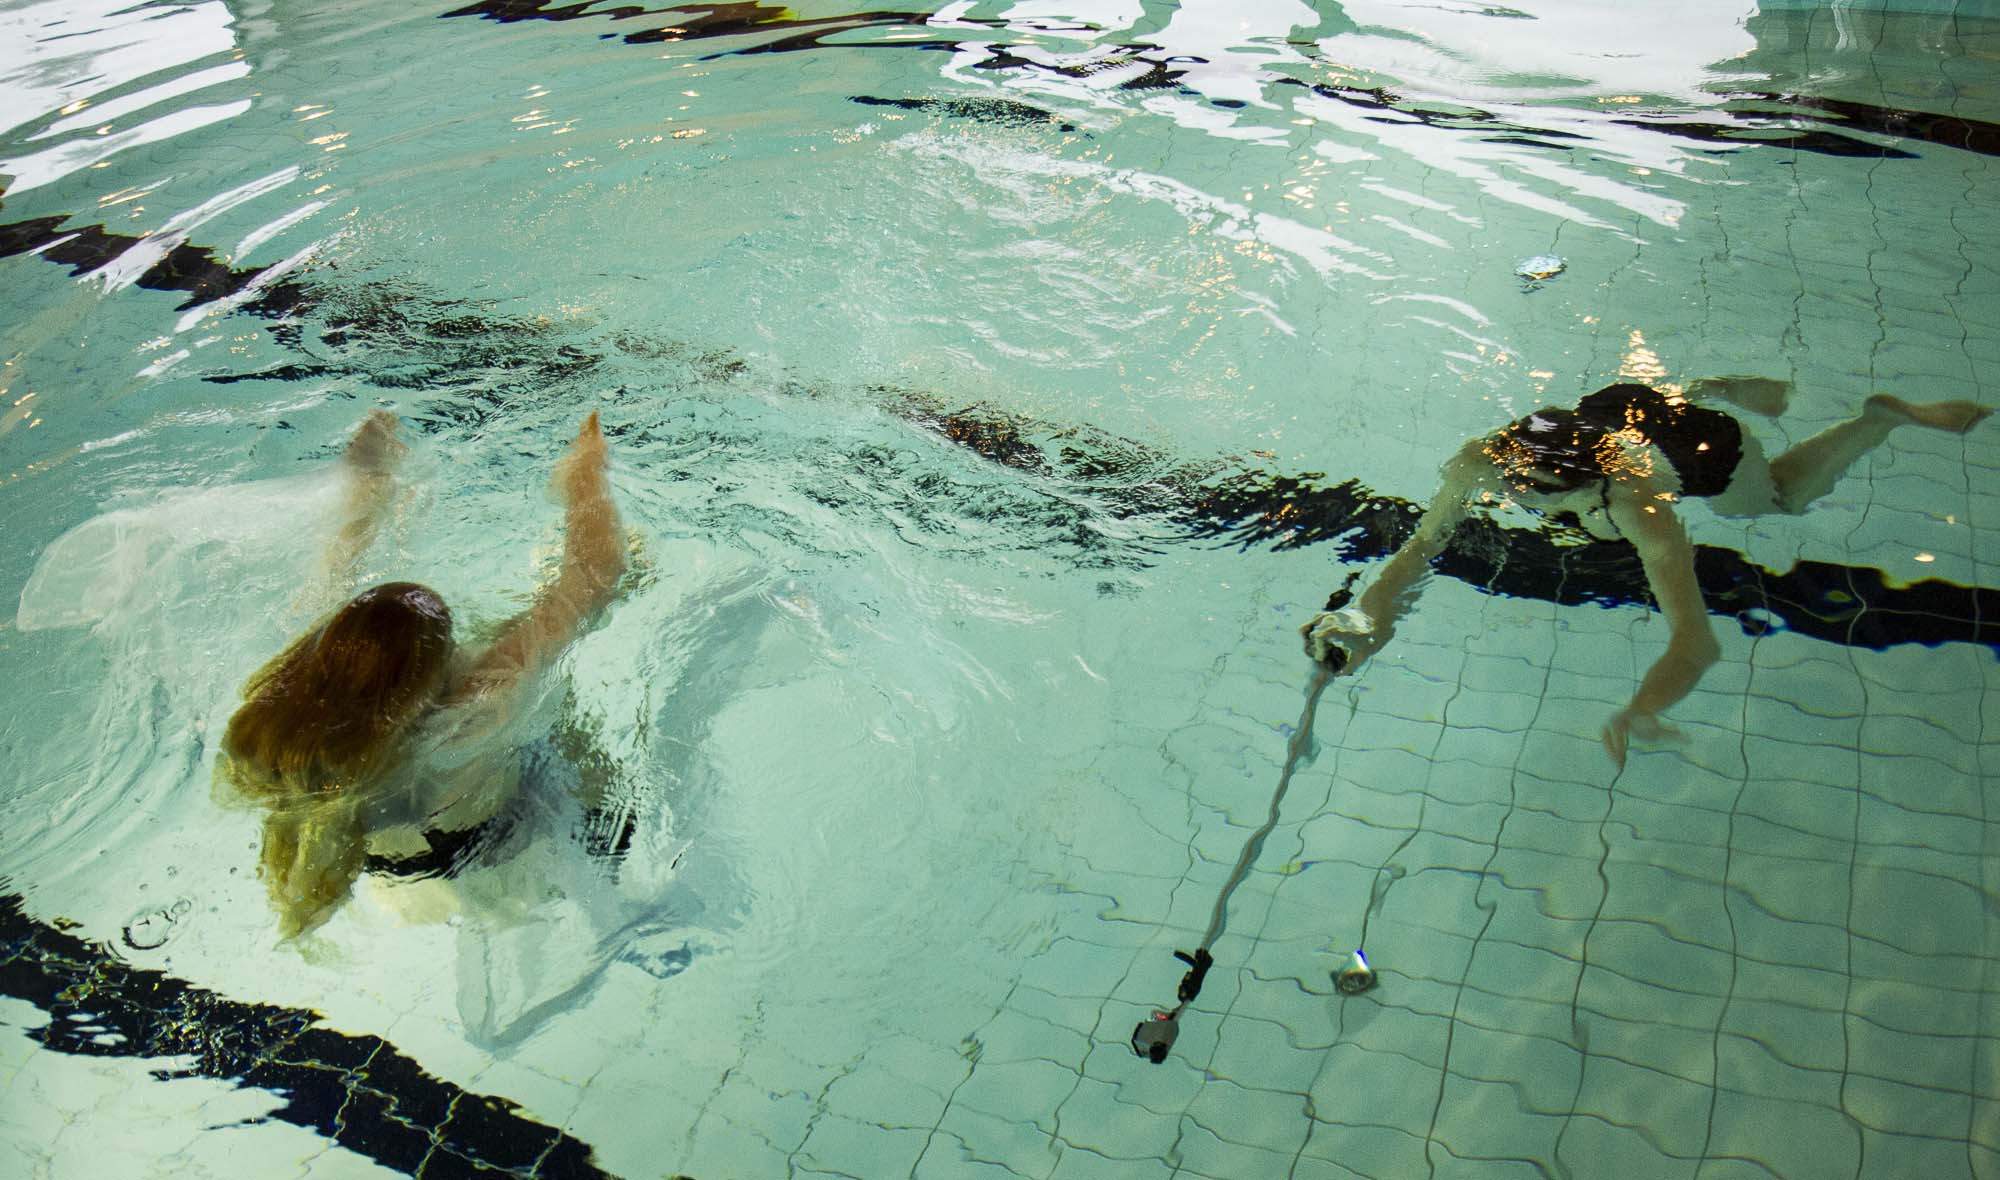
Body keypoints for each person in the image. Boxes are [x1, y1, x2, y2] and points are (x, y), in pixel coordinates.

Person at [1301, 378, 1991, 767]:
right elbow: (1421, 549)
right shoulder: (1483, 459)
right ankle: (1723, 384)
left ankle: (1876, 419)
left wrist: (1644, 706)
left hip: (1705, 450)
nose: (1511, 495)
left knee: (1778, 502)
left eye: (1534, 492)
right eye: (1513, 481)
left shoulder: (1640, 504)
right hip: (1620, 408)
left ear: (1587, 484)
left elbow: (1695, 638)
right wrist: (1366, 620)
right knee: (1642, 412)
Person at [216, 410, 627, 937]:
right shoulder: (471, 711)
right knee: (546, 676)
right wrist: (585, 471)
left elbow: (337, 567)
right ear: (428, 683)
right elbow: (596, 572)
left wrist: (369, 483)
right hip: (515, 854)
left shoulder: (283, 720)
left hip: (395, 878)